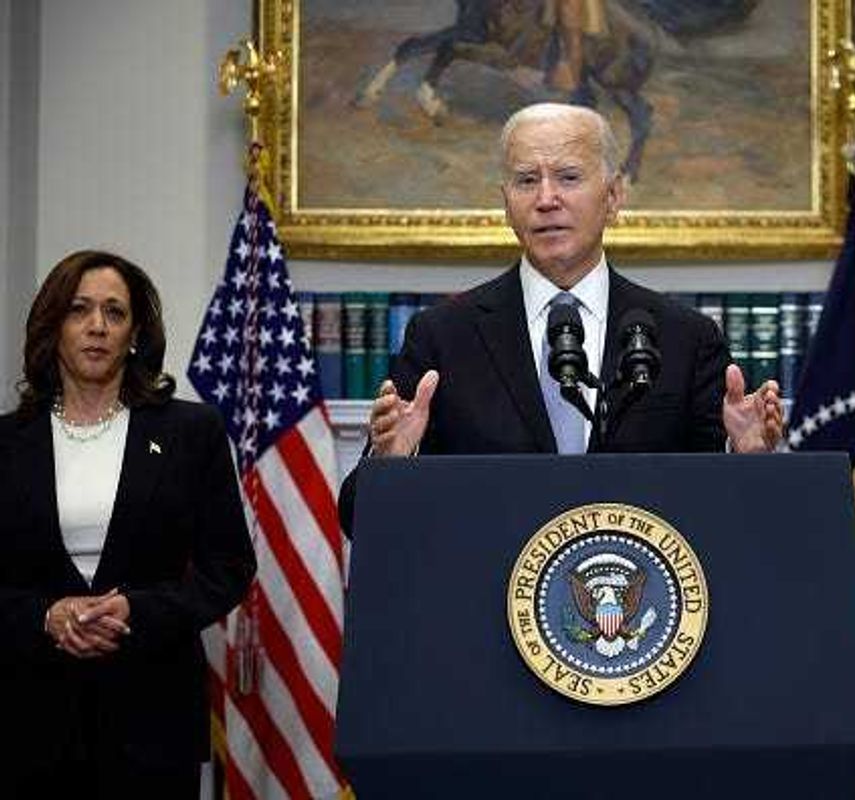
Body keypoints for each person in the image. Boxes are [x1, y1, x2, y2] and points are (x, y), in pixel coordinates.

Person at [338, 102, 781, 533]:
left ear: (613, 197)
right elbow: (360, 519)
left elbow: (737, 517)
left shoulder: (685, 337)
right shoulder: (442, 336)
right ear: (506, 204)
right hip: (487, 596)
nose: (546, 199)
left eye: (568, 178)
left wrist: (746, 455)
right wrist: (392, 463)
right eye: (527, 180)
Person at [1, 250, 256, 796]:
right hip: (29, 722)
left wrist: (138, 609)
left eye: (115, 313)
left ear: (135, 333)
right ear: (54, 327)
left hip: (153, 718)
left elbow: (229, 567)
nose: (97, 326)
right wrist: (45, 616)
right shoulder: (6, 444)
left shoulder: (192, 432)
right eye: (80, 310)